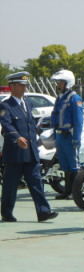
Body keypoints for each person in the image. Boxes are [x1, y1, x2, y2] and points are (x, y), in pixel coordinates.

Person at [0, 72, 58, 222]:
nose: (24, 87)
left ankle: (43, 212)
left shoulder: (27, 103)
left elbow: (30, 124)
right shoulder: (6, 105)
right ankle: (7, 212)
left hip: (31, 150)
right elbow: (6, 124)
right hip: (15, 152)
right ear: (12, 86)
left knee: (36, 181)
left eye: (25, 85)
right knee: (10, 184)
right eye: (21, 84)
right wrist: (16, 137)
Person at [50, 70, 84, 200]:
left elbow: (79, 120)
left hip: (69, 136)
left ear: (68, 83)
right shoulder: (59, 98)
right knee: (64, 165)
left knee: (74, 165)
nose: (58, 85)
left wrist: (76, 138)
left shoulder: (74, 98)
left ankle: (74, 193)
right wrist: (55, 135)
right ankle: (67, 191)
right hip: (59, 136)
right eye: (58, 82)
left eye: (60, 82)